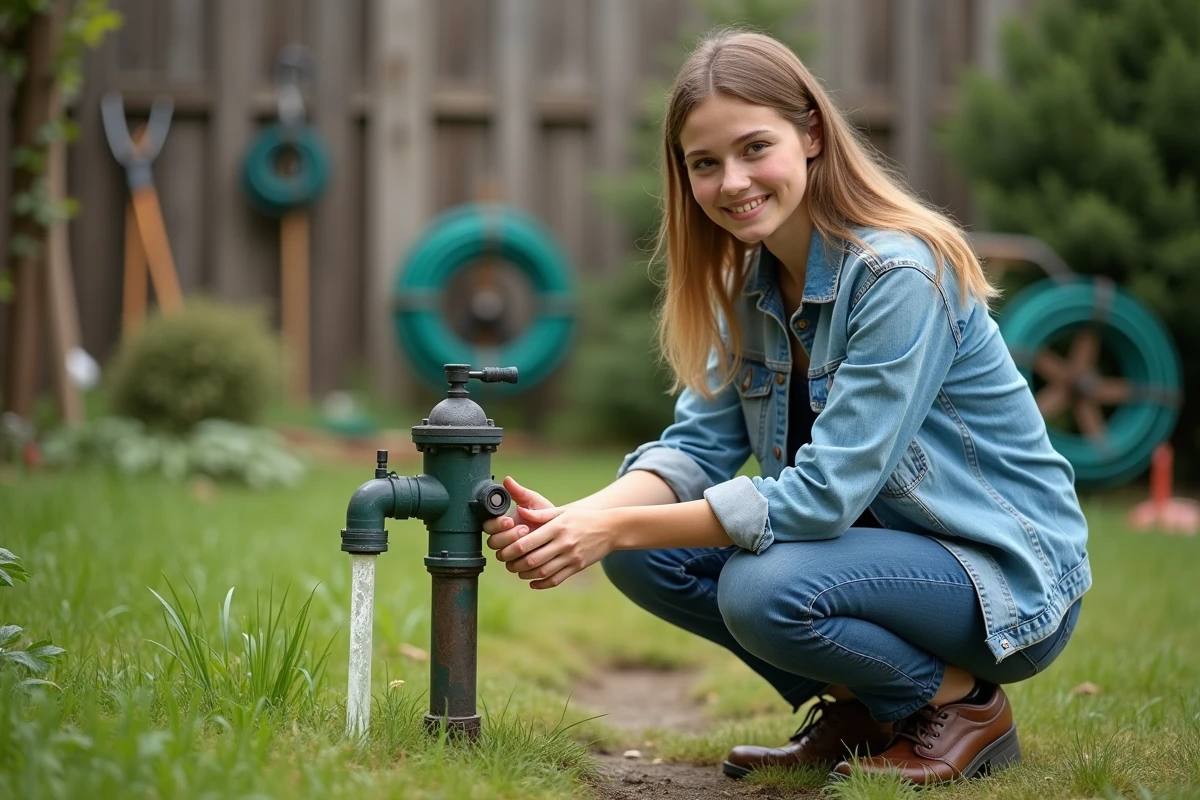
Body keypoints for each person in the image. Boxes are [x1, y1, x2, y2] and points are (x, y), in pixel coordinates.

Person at [481, 29, 1089, 786]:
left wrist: (608, 527)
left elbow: (824, 496)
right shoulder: (751, 286)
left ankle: (962, 706)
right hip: (881, 563)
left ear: (810, 133)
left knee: (762, 589)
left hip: (998, 576)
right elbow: (694, 452)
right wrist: (579, 520)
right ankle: (871, 711)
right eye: (705, 163)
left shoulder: (898, 274)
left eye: (753, 148)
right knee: (641, 558)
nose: (732, 181)